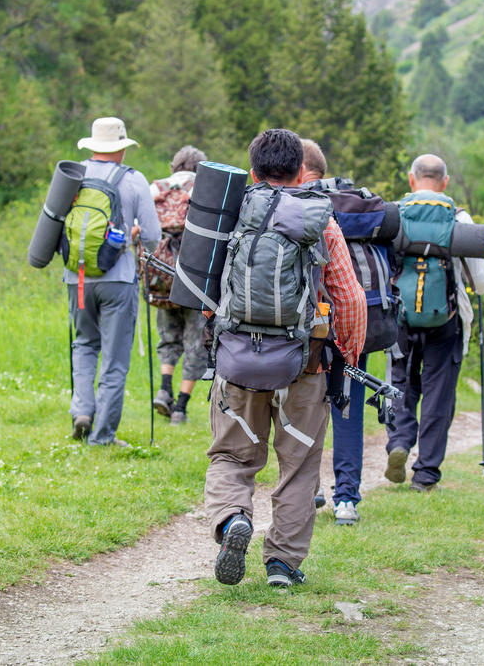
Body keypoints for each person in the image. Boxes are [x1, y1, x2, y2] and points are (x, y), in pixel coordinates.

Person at [205, 129, 367, 587]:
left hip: (237, 362)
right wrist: (348, 356)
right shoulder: (320, 219)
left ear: (252, 172)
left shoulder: (233, 211)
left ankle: (233, 519)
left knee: (232, 457)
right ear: (301, 173)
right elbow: (350, 299)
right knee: (299, 467)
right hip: (304, 363)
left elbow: (201, 285)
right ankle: (282, 564)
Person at [385, 154, 484, 491]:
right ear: (445, 182)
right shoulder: (458, 218)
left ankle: (399, 441)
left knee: (401, 382)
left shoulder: (395, 214)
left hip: (400, 317)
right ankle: (426, 474)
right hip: (446, 320)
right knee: (438, 392)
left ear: (411, 179)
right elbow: (481, 282)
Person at [66, 117, 161, 446]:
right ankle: (103, 435)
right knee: (115, 357)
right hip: (118, 279)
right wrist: (132, 235)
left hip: (77, 277)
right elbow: (152, 234)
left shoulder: (74, 174)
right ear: (122, 148)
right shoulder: (134, 180)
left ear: (93, 145)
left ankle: (82, 410)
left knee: (84, 344)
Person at [299, 139, 371, 526]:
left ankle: (308, 488)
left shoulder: (295, 204)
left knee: (304, 409)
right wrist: (352, 349)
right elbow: (353, 298)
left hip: (305, 329)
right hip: (349, 329)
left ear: (299, 169)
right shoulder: (353, 202)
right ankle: (347, 499)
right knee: (348, 412)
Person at [147, 146, 211, 425]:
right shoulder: (203, 190)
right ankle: (181, 408)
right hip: (193, 278)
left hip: (160, 278)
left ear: (174, 165)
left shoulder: (156, 188)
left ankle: (164, 389)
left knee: (168, 336)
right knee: (196, 341)